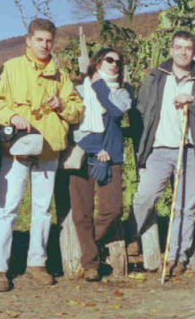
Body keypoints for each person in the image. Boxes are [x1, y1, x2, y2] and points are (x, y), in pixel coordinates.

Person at [0, 18, 83, 291]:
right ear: (28, 40)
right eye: (39, 39)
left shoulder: (60, 74)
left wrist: (63, 103)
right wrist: (12, 115)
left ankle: (37, 263)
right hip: (17, 147)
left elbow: (78, 109)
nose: (44, 45)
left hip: (49, 147)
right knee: (7, 208)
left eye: (49, 40)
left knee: (42, 209)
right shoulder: (10, 68)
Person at [129, 30, 195, 277]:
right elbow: (141, 109)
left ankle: (176, 257)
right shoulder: (156, 77)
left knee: (185, 207)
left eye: (187, 48)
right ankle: (131, 234)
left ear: (194, 52)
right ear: (170, 50)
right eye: (178, 47)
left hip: (190, 151)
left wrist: (193, 100)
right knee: (145, 196)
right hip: (160, 149)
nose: (182, 52)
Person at [69, 48, 133, 281]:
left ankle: (90, 246)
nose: (114, 63)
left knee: (112, 208)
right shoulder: (77, 91)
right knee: (81, 212)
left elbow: (116, 112)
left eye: (118, 60)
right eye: (109, 59)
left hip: (112, 157)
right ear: (97, 63)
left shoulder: (123, 93)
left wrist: (99, 87)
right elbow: (73, 124)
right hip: (84, 154)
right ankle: (91, 265)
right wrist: (96, 148)